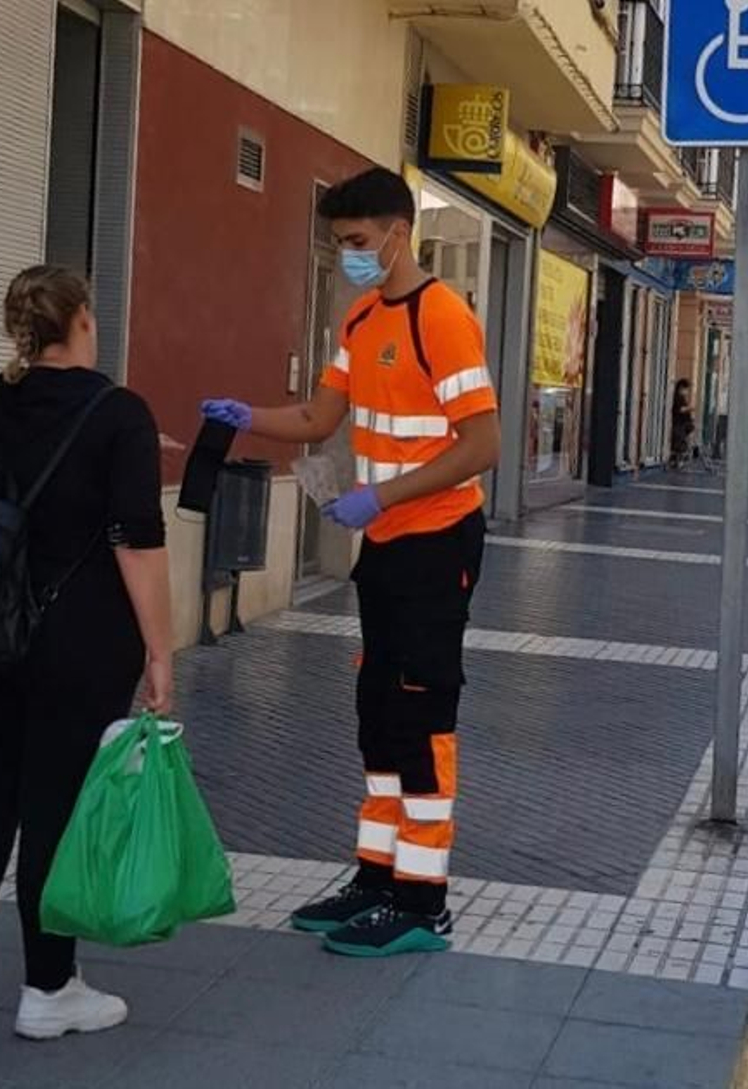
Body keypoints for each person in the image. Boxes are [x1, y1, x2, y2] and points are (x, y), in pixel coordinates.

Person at [202, 167, 500, 957]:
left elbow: (484, 444)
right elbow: (316, 416)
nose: (349, 258)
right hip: (388, 546)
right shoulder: (364, 319)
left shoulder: (444, 318)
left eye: (359, 243)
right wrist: (248, 418)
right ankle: (376, 875)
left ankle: (423, 898)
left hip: (437, 538)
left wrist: (386, 493)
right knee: (378, 712)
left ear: (400, 232)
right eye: (340, 246)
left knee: (422, 712)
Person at [0, 266, 174, 1040]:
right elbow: (136, 539)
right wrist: (161, 650)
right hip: (79, 639)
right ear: (83, 321)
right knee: (52, 806)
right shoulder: (119, 413)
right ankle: (48, 987)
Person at [670, 378, 697, 468]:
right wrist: (689, 408)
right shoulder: (677, 398)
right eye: (686, 389)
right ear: (681, 388)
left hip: (683, 424)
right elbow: (679, 409)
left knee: (682, 442)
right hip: (679, 424)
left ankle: (678, 461)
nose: (687, 392)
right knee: (679, 443)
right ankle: (676, 461)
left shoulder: (682, 398)